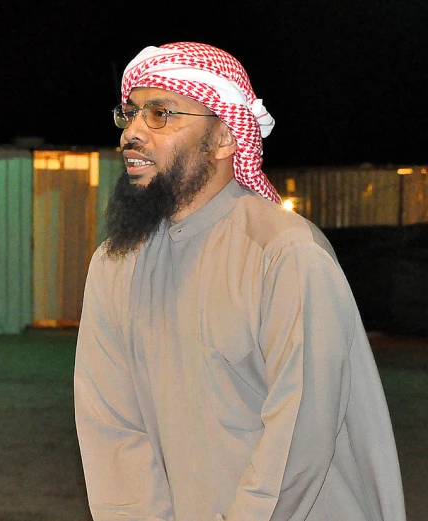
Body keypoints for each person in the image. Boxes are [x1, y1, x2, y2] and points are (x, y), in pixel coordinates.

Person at [74, 42, 406, 521]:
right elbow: (112, 429)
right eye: (129, 115)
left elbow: (298, 438)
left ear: (226, 137)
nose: (133, 133)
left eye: (160, 114)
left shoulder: (285, 253)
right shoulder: (114, 264)